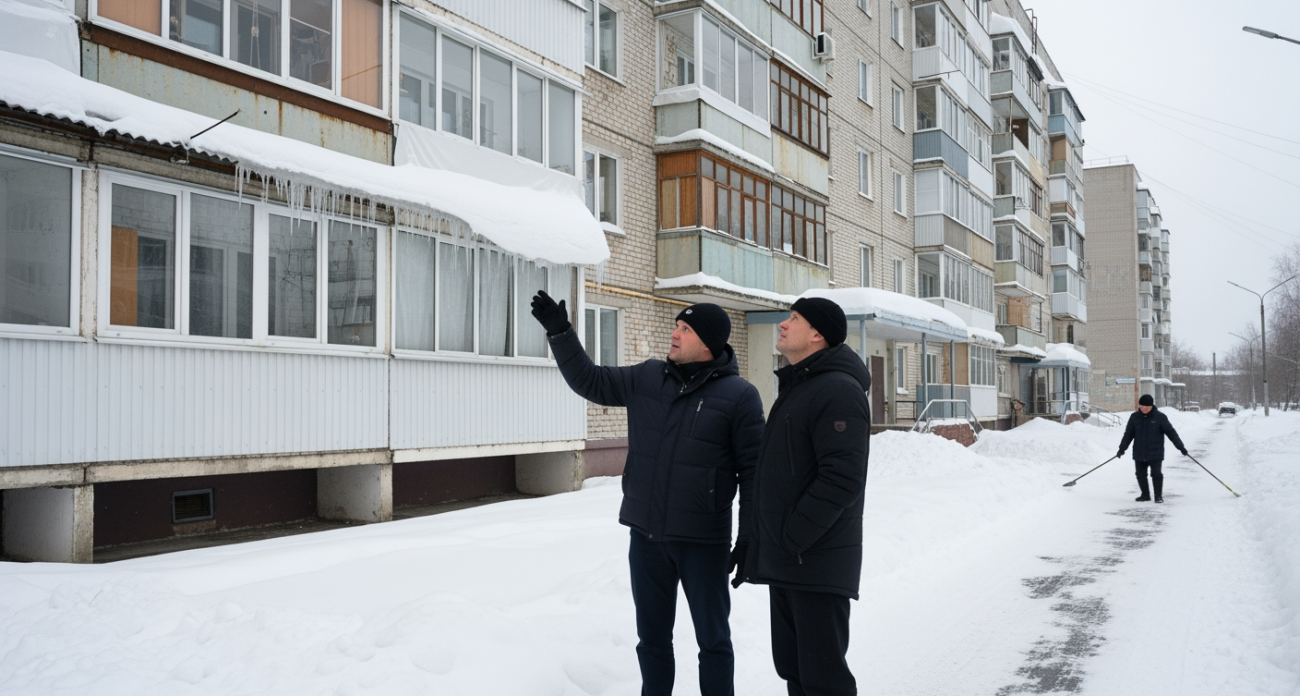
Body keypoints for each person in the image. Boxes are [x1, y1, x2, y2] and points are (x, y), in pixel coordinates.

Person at [530, 291, 765, 696]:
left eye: (685, 329)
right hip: (646, 536)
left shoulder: (740, 396)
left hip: (703, 542)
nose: (674, 333)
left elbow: (754, 473)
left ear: (707, 343)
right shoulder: (648, 378)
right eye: (677, 326)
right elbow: (591, 380)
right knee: (652, 641)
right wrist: (561, 333)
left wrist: (749, 538)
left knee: (713, 641)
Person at [734, 297, 871, 696]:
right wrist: (762, 541)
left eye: (793, 319)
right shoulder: (801, 386)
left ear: (817, 334)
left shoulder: (837, 391)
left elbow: (843, 478)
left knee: (823, 680)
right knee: (794, 669)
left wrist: (792, 537)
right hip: (790, 560)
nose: (782, 324)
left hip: (814, 562)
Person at [1117, 393, 1188, 504]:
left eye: (1146, 407)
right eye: (1141, 406)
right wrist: (1122, 449)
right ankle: (1145, 495)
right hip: (1139, 452)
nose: (1143, 409)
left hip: (1156, 452)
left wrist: (1181, 447)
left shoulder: (1160, 417)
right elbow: (1128, 435)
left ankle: (1158, 496)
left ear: (1151, 406)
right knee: (1140, 474)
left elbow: (1171, 433)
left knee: (1156, 474)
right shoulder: (1134, 417)